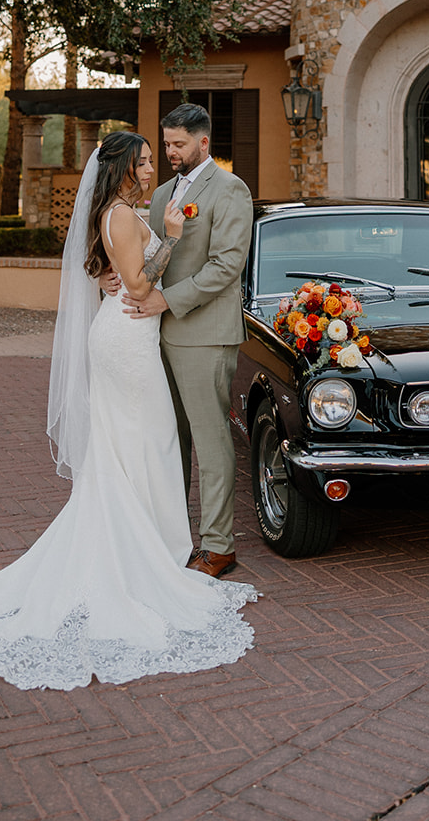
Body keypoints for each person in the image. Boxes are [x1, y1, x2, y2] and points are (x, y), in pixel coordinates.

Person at [0, 131, 256, 692]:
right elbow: (137, 282)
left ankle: (149, 547)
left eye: (156, 158)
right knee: (146, 444)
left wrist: (125, 268)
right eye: (145, 161)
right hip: (128, 344)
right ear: (123, 168)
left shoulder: (117, 212)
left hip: (123, 338)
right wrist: (172, 238)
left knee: (132, 448)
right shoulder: (123, 216)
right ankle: (144, 557)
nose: (153, 167)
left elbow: (110, 274)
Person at [117, 104, 253, 578]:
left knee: (211, 441)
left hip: (205, 335)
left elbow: (225, 265)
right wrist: (126, 280)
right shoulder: (160, 196)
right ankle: (174, 537)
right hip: (157, 335)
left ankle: (218, 547)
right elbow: (154, 254)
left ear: (204, 143)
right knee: (169, 439)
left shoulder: (232, 190)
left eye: (178, 145)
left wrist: (164, 301)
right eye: (167, 144)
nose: (170, 153)